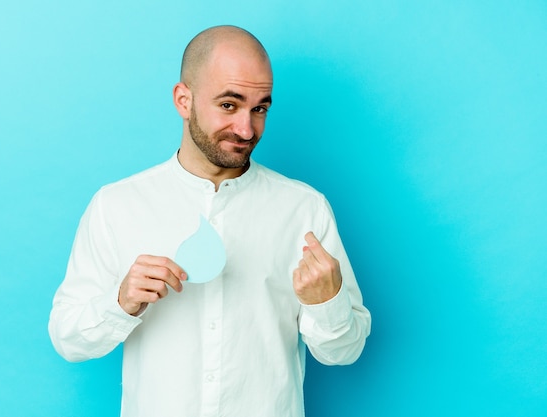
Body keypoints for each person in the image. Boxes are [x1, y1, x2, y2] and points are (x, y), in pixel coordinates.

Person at [49, 25, 371, 417]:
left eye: (260, 108)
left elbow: (344, 352)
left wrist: (327, 301)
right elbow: (68, 339)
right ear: (184, 100)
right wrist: (122, 302)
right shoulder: (116, 206)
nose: (246, 129)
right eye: (229, 105)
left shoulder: (304, 209)